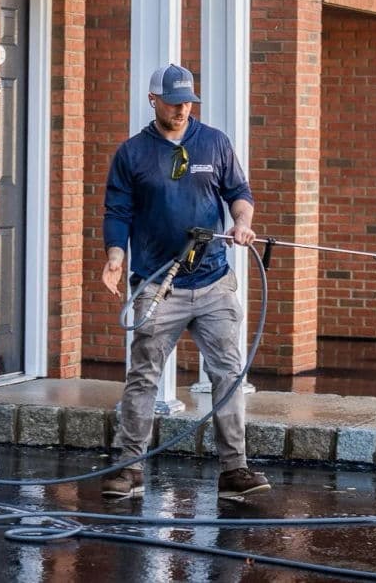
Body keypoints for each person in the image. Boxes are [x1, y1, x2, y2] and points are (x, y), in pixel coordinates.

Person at [100, 64, 271, 500]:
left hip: (214, 281)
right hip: (159, 284)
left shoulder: (214, 142)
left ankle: (235, 471)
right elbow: (117, 212)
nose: (181, 109)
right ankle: (128, 468)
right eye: (174, 102)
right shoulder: (132, 153)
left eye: (187, 102)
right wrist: (115, 258)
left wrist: (243, 223)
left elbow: (239, 193)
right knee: (143, 377)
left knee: (228, 373)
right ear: (153, 99)